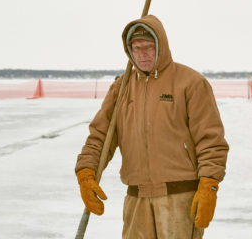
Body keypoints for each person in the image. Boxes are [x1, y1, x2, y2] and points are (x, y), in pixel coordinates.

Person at [75, 15, 229, 239]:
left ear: (161, 46)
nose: (142, 53)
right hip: (137, 200)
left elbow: (211, 140)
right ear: (129, 51)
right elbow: (99, 137)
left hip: (179, 198)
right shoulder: (121, 88)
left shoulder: (191, 83)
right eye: (136, 48)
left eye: (148, 47)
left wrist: (209, 184)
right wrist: (86, 173)